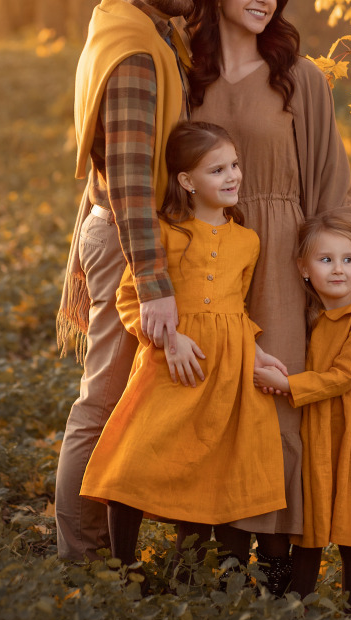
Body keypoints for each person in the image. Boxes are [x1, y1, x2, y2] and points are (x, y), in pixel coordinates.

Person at [187, 0, 351, 592]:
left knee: (274, 401)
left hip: (281, 260)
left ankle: (277, 558)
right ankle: (214, 549)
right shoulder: (187, 74)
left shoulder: (300, 79)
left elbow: (331, 185)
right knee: (211, 398)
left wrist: (342, 274)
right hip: (209, 257)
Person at [80, 122, 286, 574]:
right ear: (187, 182)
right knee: (131, 458)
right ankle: (122, 567)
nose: (232, 176)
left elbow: (236, 308)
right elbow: (129, 298)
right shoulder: (164, 233)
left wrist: (253, 350)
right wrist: (169, 339)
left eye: (234, 165)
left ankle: (188, 575)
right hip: (170, 362)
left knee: (214, 464)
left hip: (227, 367)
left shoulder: (248, 241)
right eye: (217, 170)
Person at [55, 0, 194, 562]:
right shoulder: (137, 52)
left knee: (115, 393)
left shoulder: (134, 27)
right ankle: (83, 557)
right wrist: (155, 284)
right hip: (125, 236)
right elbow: (131, 182)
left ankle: (98, 547)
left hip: (116, 231)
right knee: (104, 395)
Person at [254, 213, 351, 613]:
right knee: (312, 524)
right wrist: (281, 383)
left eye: (348, 260)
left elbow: (342, 377)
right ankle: (295, 610)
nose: (339, 269)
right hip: (320, 428)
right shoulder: (315, 316)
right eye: (325, 260)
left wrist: (288, 386)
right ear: (303, 268)